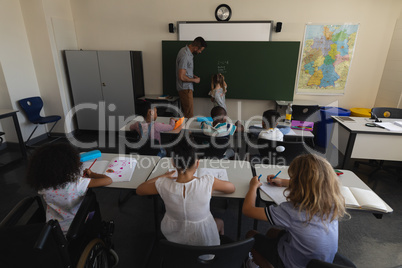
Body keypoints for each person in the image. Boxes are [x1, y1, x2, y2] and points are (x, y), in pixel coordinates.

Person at [242, 154, 348, 268]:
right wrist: (282, 181)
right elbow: (312, 184)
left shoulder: (292, 210)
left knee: (251, 236)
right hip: (322, 262)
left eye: (293, 179)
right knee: (272, 232)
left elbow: (248, 210)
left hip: (295, 264)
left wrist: (253, 186)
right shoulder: (333, 202)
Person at [136, 138, 235, 246]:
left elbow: (140, 190)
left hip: (175, 243)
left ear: (173, 163)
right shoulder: (208, 182)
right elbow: (231, 188)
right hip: (204, 247)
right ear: (197, 164)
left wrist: (163, 176)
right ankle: (216, 251)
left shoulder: (163, 184)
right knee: (220, 222)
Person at [26, 143, 112, 235]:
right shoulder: (77, 184)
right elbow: (108, 180)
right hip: (78, 225)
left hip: (54, 229)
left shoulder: (42, 187)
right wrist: (92, 174)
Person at [176, 36, 207, 118]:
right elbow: (181, 77)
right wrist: (194, 80)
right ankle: (187, 131)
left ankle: (186, 130)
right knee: (189, 115)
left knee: (187, 114)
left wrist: (191, 75)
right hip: (185, 89)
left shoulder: (187, 53)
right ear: (196, 48)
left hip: (186, 88)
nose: (200, 52)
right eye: (200, 50)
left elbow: (184, 71)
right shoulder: (185, 55)